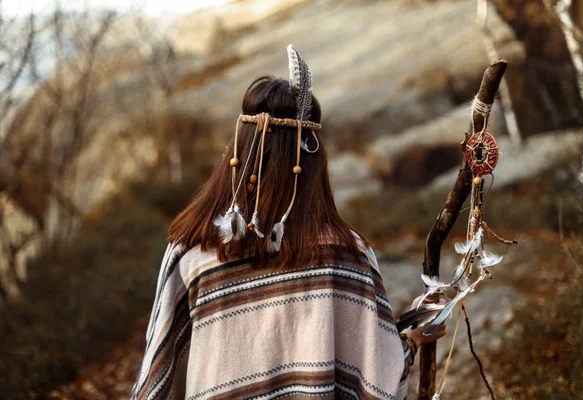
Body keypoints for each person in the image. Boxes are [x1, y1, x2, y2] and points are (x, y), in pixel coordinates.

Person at [132, 45, 446, 400]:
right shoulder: (346, 254)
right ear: (314, 162)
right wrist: (410, 339)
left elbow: (159, 374)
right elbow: (377, 379)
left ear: (237, 153)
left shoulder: (191, 249)